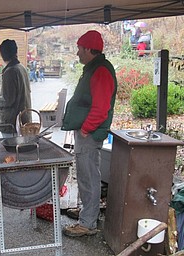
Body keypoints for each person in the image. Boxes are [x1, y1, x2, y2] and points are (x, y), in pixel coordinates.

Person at [62, 30, 117, 237]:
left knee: (89, 176)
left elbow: (101, 107)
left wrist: (85, 129)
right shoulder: (94, 67)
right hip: (87, 131)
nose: (77, 53)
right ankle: (88, 212)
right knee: (86, 174)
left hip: (90, 133)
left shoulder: (100, 70)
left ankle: (88, 223)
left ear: (88, 49)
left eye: (79, 49)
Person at [0, 39, 32, 138]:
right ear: (16, 52)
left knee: (12, 151)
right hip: (24, 119)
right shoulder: (22, 68)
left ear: (2, 54)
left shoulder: (10, 71)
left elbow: (8, 100)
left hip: (11, 123)